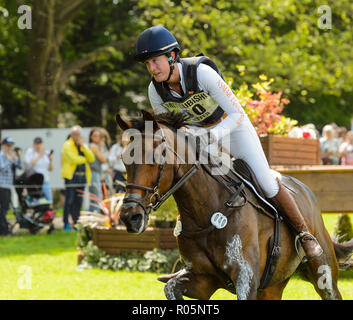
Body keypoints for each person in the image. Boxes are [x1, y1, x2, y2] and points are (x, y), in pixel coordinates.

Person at [134, 26, 322, 260]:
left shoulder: (202, 73)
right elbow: (171, 130)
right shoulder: (155, 90)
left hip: (233, 129)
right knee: (189, 184)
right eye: (147, 64)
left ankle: (305, 235)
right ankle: (192, 259)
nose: (152, 69)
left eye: (155, 61)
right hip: (199, 137)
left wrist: (212, 137)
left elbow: (237, 114)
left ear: (172, 56)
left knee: (266, 182)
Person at [61, 126, 95, 231]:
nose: (76, 137)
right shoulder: (67, 145)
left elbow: (92, 158)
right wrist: (84, 159)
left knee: (78, 201)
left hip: (82, 177)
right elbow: (73, 159)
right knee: (69, 201)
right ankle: (66, 224)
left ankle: (76, 223)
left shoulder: (82, 146)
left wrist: (84, 147)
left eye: (78, 134)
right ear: (71, 135)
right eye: (74, 134)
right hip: (71, 177)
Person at [0, 137, 21, 236]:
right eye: (8, 145)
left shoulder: (10, 155)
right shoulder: (1, 155)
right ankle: (4, 231)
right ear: (3, 145)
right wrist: (10, 160)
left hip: (8, 186)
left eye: (11, 145)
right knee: (3, 209)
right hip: (2, 186)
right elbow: (2, 168)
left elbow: (20, 166)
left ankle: (3, 230)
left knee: (5, 209)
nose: (9, 147)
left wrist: (18, 157)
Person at [24, 137, 54, 202]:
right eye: (36, 144)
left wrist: (51, 161)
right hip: (34, 181)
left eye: (39, 144)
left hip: (45, 180)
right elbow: (30, 164)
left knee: (49, 200)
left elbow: (51, 169)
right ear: (33, 144)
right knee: (34, 201)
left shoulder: (46, 153)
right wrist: (40, 155)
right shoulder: (30, 152)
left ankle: (47, 212)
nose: (38, 145)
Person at [88, 128, 106, 212]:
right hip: (93, 173)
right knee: (96, 196)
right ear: (91, 137)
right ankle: (95, 217)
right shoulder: (93, 146)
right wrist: (101, 148)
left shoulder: (94, 146)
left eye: (99, 136)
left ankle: (93, 217)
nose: (97, 138)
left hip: (95, 173)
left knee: (94, 196)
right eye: (95, 135)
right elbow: (103, 159)